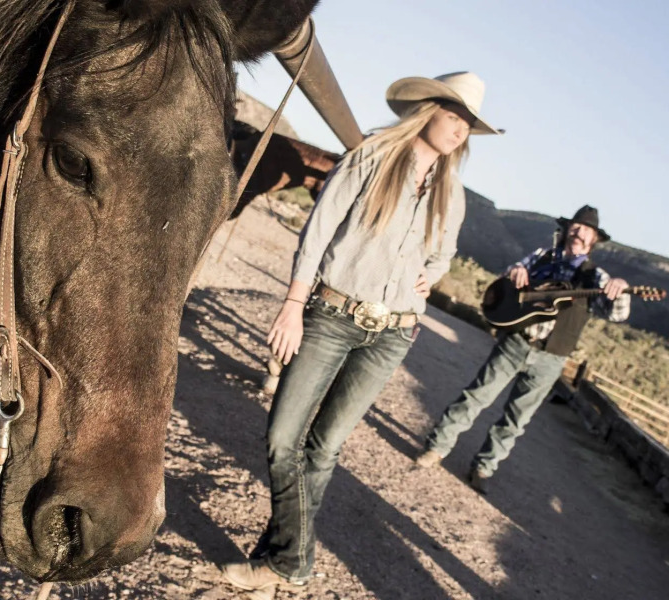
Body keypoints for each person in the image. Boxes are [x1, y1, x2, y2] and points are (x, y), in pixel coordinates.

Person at [220, 72, 502, 596]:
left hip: (392, 335)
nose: (462, 130)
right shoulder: (370, 158)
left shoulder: (452, 191)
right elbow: (319, 229)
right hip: (331, 315)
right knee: (284, 438)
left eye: (469, 124)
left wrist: (433, 276)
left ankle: (275, 560)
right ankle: (294, 561)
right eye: (456, 116)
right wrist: (292, 307)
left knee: (324, 449)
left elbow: (443, 253)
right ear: (428, 110)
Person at [416, 205, 630, 494]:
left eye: (586, 231)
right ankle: (436, 448)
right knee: (476, 396)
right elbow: (509, 277)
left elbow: (615, 313)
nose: (579, 233)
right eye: (576, 227)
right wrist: (515, 271)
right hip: (516, 342)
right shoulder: (542, 256)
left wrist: (620, 287)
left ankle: (483, 468)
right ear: (567, 230)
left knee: (516, 420)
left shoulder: (596, 278)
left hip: (551, 359)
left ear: (594, 240)